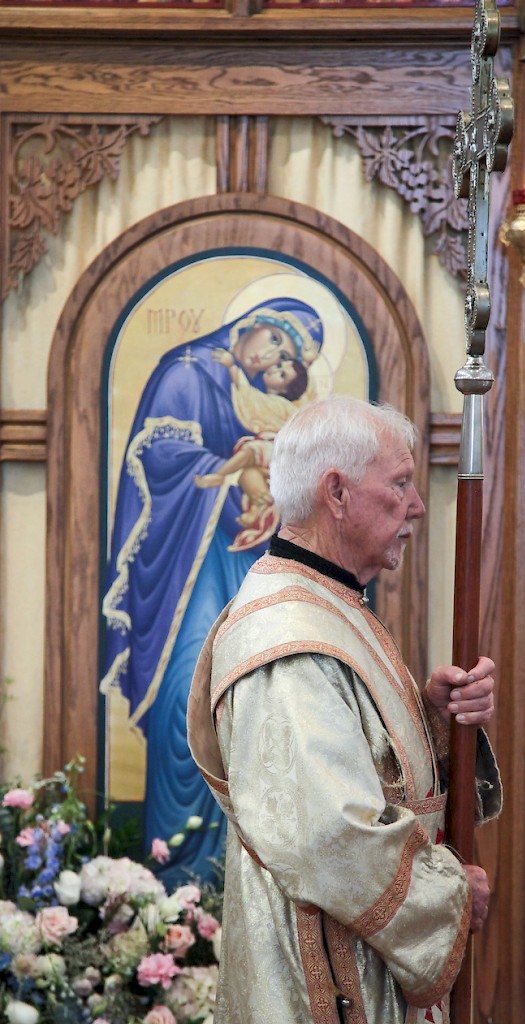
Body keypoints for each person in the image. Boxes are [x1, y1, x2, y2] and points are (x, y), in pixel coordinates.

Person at [187, 395, 501, 1024]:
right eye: (399, 485)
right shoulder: (285, 638)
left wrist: (433, 719)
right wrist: (446, 896)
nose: (416, 507)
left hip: (356, 958)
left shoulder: (327, 605)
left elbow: (355, 770)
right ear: (336, 492)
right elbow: (327, 831)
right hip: (328, 983)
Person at [101, 298, 323, 886]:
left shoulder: (263, 398)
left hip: (249, 559)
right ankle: (174, 882)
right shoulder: (188, 373)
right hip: (188, 563)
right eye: (275, 341)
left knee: (254, 707)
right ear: (250, 324)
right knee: (186, 700)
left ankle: (240, 877)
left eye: (287, 358)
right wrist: (237, 478)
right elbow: (157, 457)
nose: (274, 359)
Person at [194, 346, 312, 550]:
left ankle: (218, 475)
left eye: (282, 374)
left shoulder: (281, 405)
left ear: (285, 389)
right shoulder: (268, 400)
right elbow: (251, 397)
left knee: (250, 451)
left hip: (277, 450)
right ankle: (257, 507)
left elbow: (249, 397)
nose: (275, 369)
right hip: (268, 449)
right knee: (247, 475)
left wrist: (232, 367)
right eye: (280, 365)